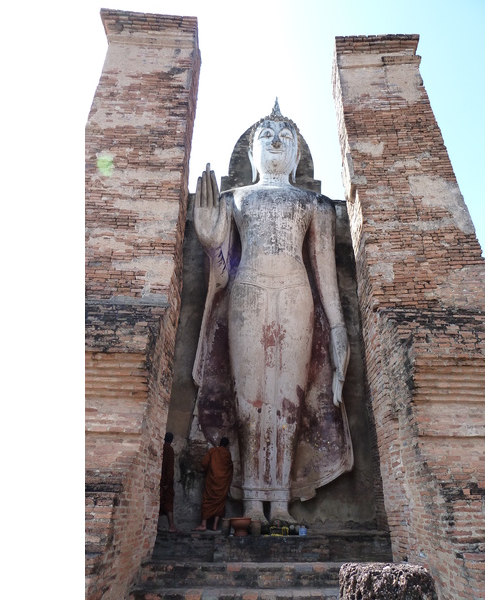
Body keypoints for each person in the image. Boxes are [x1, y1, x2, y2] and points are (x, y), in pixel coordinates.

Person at [192, 101, 350, 526]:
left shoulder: (314, 204)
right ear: (251, 152)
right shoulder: (235, 199)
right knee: (249, 398)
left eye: (285, 137)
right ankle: (249, 505)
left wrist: (336, 328)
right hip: (248, 294)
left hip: (297, 296)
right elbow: (224, 264)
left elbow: (324, 272)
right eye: (267, 135)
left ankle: (279, 501)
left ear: (297, 153)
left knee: (288, 400)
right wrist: (211, 238)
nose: (276, 141)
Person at [195, 437, 234, 531]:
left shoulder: (213, 451)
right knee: (220, 502)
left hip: (212, 480)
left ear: (219, 443)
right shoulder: (227, 455)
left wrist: (210, 470)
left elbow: (204, 463)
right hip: (222, 482)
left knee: (207, 501)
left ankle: (203, 524)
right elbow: (230, 468)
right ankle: (215, 525)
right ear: (227, 445)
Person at [159, 432, 180, 532]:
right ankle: (171, 526)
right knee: (168, 504)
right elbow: (169, 468)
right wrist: (167, 482)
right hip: (165, 482)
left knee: (158, 501)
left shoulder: (160, 447)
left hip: (158, 479)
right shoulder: (169, 449)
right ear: (171, 440)